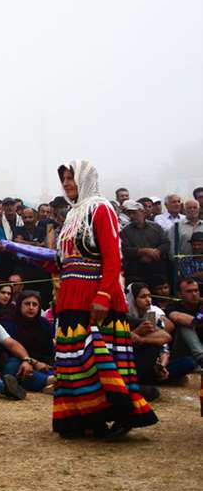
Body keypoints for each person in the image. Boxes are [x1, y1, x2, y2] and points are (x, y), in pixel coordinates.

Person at [52, 161, 157, 440]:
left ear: (85, 179)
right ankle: (87, 416)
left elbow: (113, 258)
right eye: (63, 179)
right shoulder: (73, 213)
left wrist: (103, 295)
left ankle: (123, 415)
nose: (66, 184)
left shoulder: (100, 209)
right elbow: (67, 259)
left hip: (95, 294)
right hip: (71, 294)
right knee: (75, 358)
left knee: (103, 358)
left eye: (71, 178)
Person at [2, 291, 56, 392]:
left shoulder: (44, 324)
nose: (31, 307)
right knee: (14, 368)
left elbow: (49, 352)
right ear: (19, 305)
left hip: (40, 364)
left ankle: (46, 384)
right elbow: (8, 351)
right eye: (27, 304)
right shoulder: (8, 323)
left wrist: (44, 364)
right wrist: (30, 362)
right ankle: (49, 382)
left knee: (53, 369)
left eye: (34, 304)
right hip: (17, 361)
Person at [120, 200, 169, 285]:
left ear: (142, 212)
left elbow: (166, 243)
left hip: (157, 267)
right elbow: (125, 249)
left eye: (134, 213)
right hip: (136, 270)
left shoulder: (156, 227)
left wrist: (156, 252)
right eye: (129, 213)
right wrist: (143, 251)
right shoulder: (125, 231)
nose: (131, 216)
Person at [164, 278, 203, 379]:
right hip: (181, 353)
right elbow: (177, 317)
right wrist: (197, 322)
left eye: (196, 290)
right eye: (189, 291)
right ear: (179, 294)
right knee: (184, 324)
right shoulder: (173, 306)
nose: (194, 294)